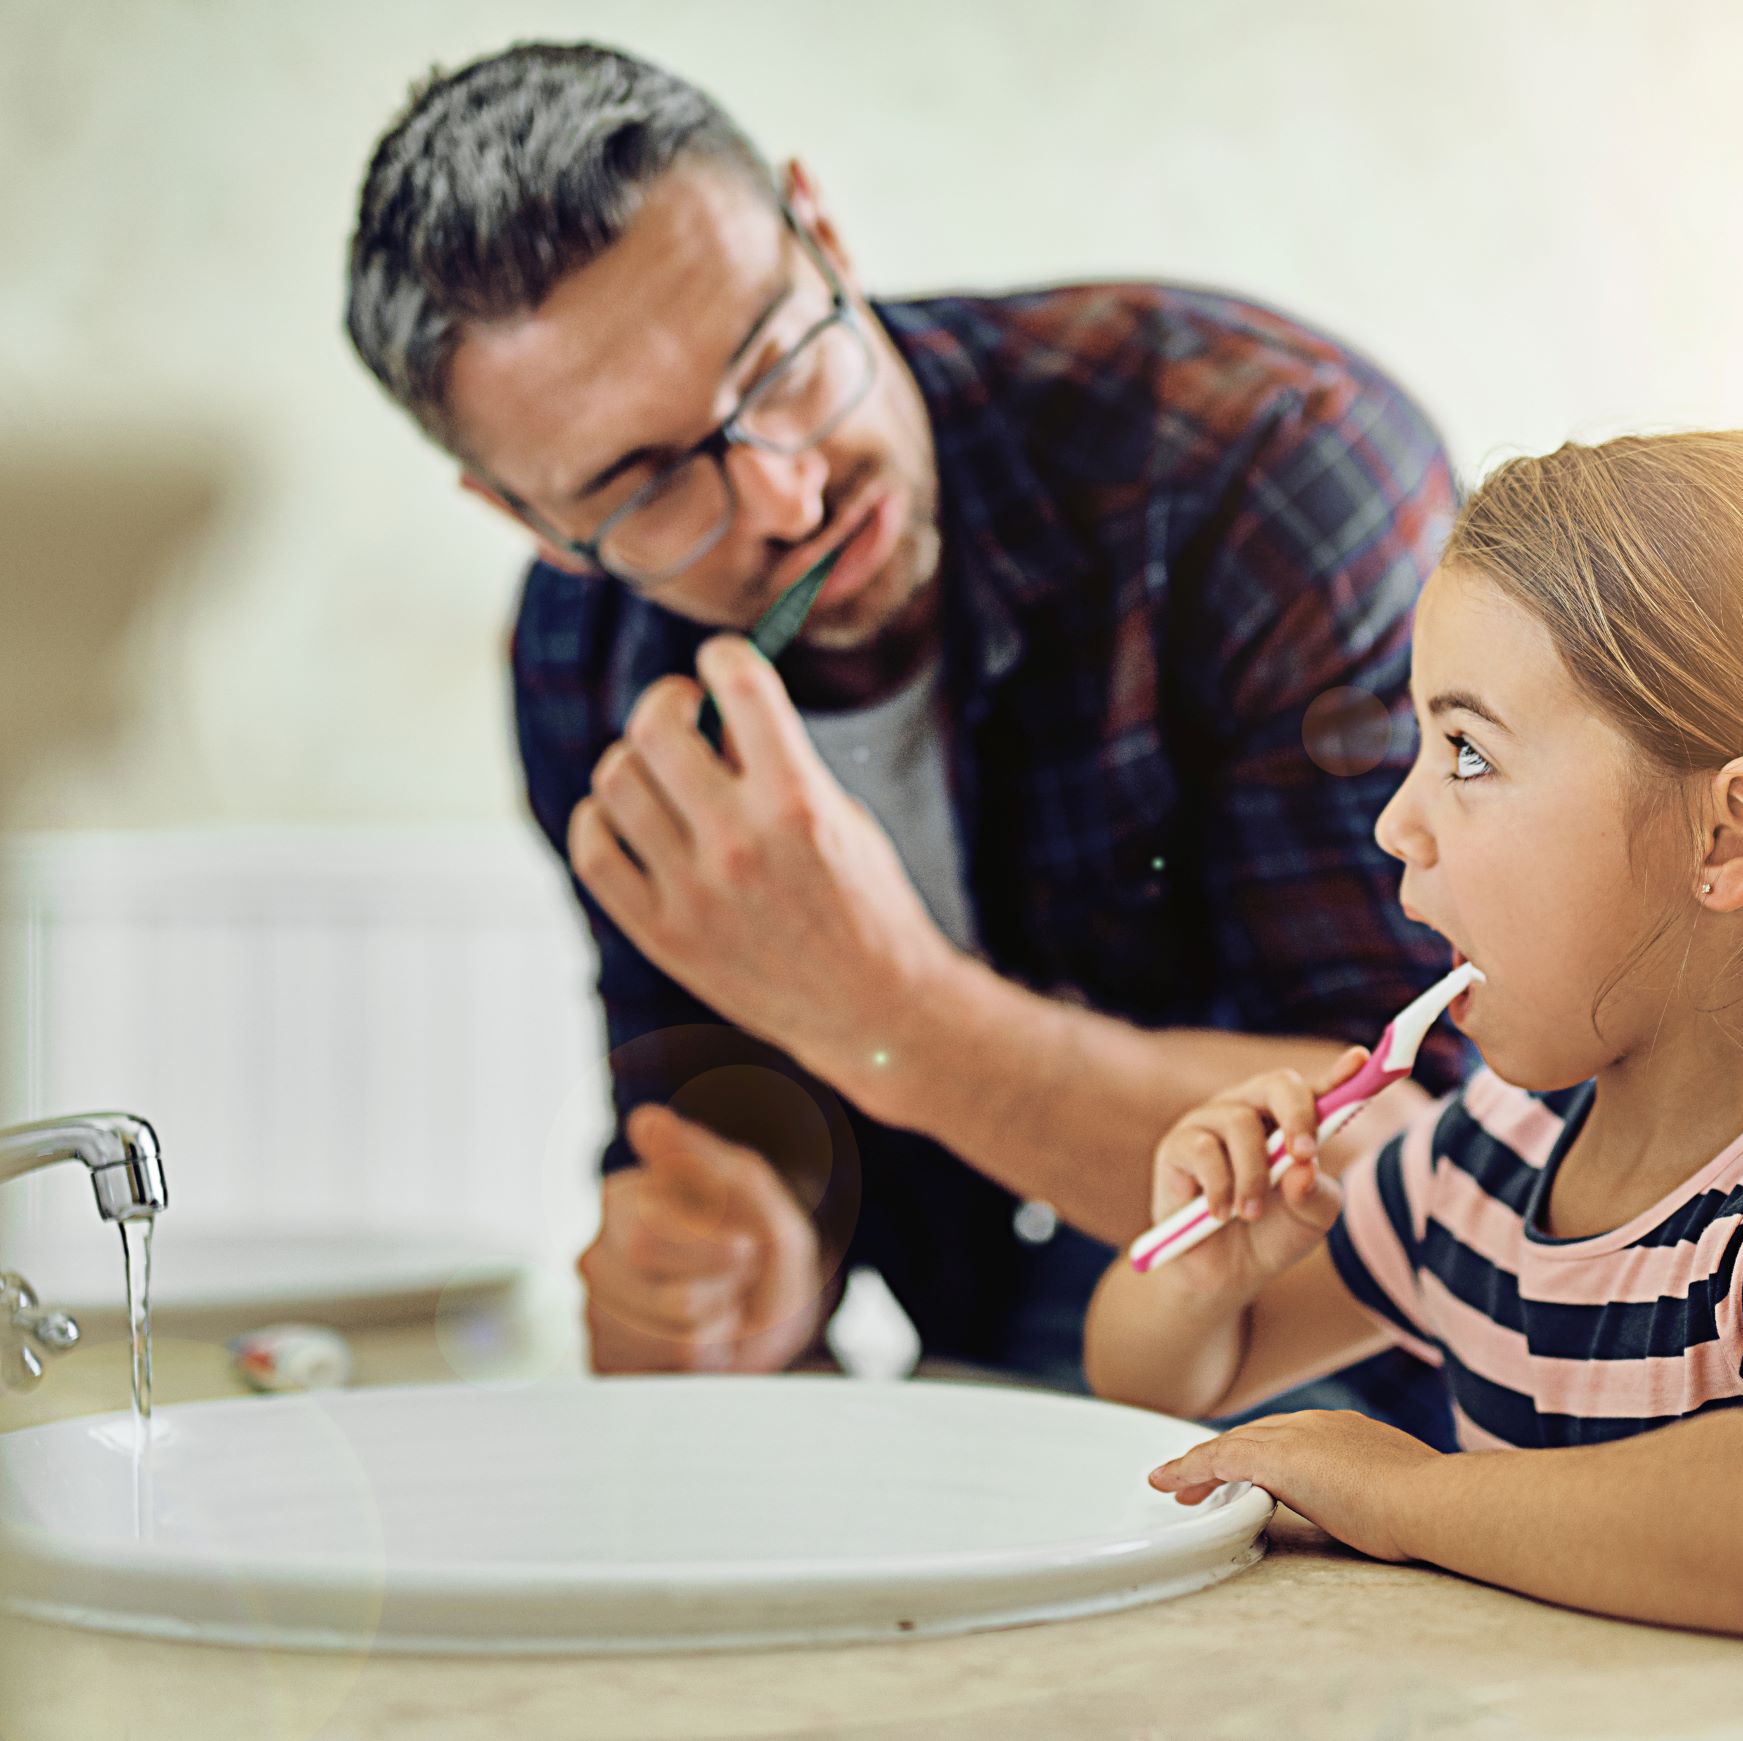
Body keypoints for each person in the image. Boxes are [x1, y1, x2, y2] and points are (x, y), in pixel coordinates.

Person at [343, 41, 1463, 1434]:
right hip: (1002, 1422)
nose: (784, 490)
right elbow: (727, 1115)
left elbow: (1445, 1170)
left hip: (1438, 1431)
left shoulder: (1268, 463)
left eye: (778, 362)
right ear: (526, 521)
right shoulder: (585, 658)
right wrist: (742, 1261)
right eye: (644, 482)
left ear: (824, 230)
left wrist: (893, 1020)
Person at [1084, 429, 1743, 1654]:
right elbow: (1155, 1384)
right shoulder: (1484, 1157)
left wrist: (1406, 1493)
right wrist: (1209, 1273)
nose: (1395, 820)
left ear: (1726, 836)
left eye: (1467, 750)